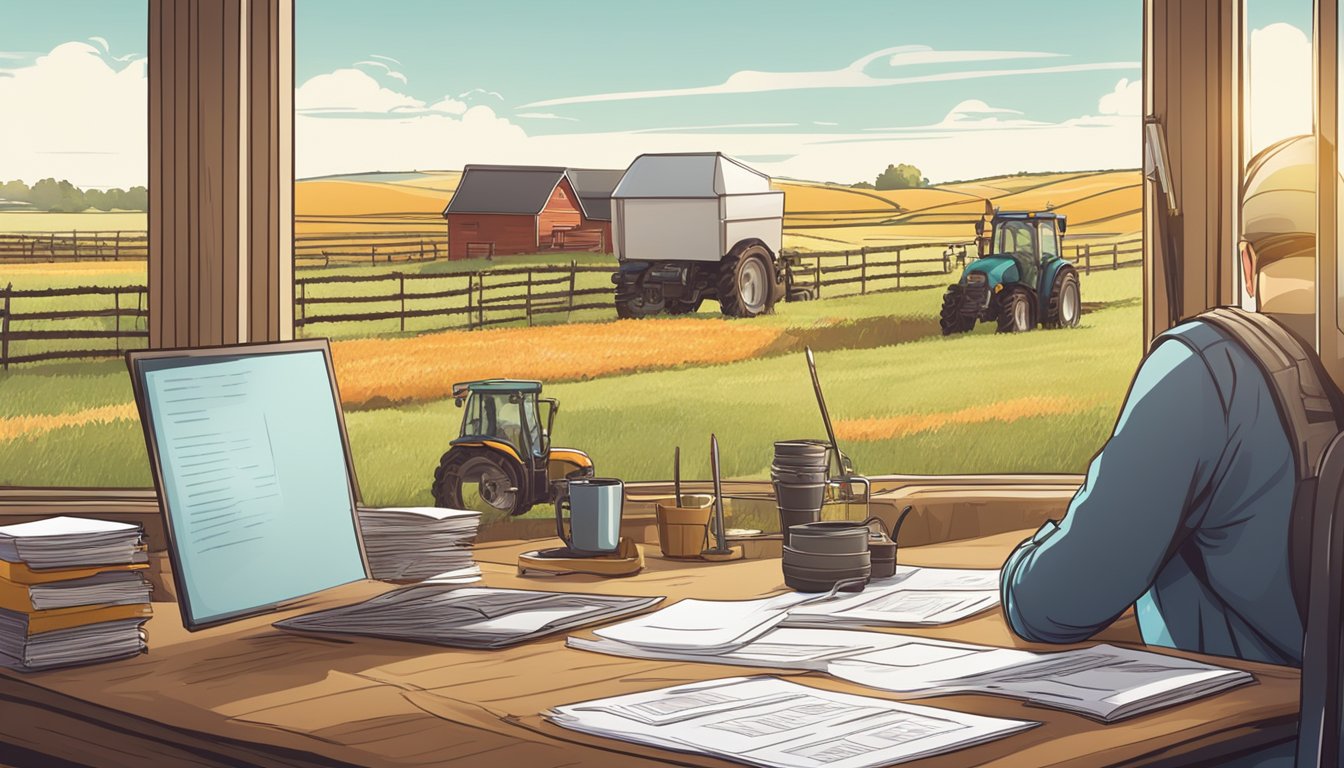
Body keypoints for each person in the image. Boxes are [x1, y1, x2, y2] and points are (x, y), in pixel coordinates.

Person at [1001, 134, 1324, 669]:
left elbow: (1054, 602)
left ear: (1247, 263)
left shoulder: (1207, 370)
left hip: (1245, 739)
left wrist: (1019, 567)